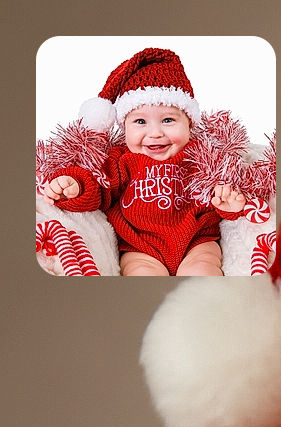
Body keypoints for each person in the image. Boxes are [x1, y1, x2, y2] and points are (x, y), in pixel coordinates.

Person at [41, 48, 246, 276]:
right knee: (142, 275)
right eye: (140, 121)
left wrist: (229, 204)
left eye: (168, 120)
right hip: (140, 246)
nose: (155, 133)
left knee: (202, 271)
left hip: (196, 242)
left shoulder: (201, 153)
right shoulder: (121, 160)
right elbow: (99, 188)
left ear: (189, 124)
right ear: (124, 126)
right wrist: (75, 186)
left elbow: (221, 188)